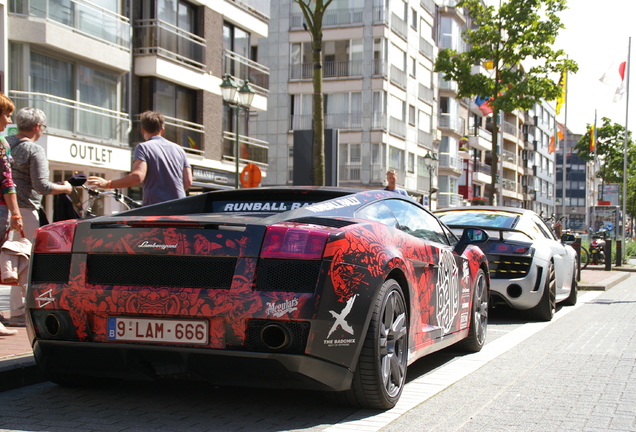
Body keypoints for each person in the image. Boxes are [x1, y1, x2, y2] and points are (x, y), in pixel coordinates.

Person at [6, 107, 72, 328]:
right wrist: (65, 187)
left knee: (7, 260)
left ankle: (13, 312)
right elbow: (42, 186)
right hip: (23, 211)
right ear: (37, 127)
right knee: (24, 260)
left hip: (2, 209)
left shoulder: (5, 144)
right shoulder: (33, 150)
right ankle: (19, 312)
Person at [88, 111, 192, 206]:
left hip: (155, 208)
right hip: (179, 206)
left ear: (142, 129)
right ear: (162, 130)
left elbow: (137, 177)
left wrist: (108, 184)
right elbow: (188, 182)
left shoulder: (143, 147)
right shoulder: (179, 150)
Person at [0, 93, 23, 336]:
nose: (8, 120)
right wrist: (16, 214)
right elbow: (7, 182)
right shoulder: (1, 143)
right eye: (6, 114)